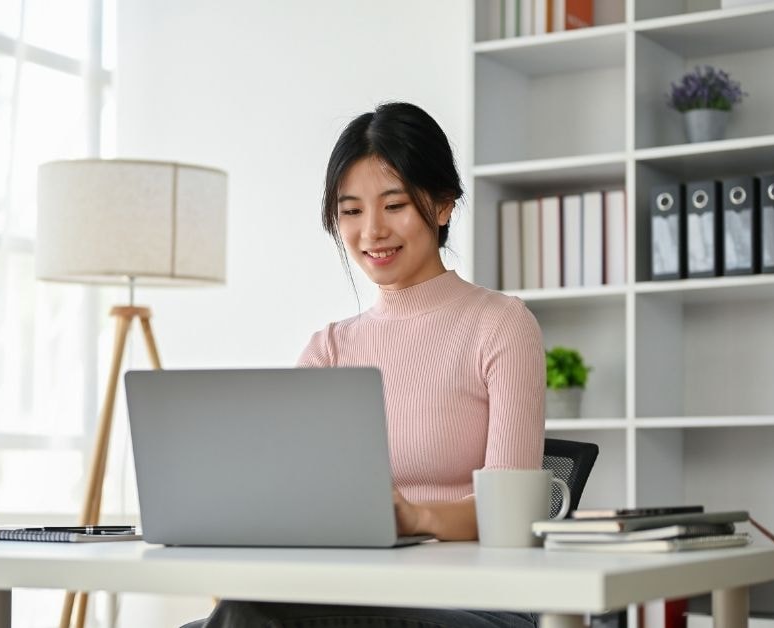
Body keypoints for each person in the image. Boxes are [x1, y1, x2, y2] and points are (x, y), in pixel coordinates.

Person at [182, 102, 545, 628]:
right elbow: (283, 489)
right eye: (351, 211)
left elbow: (512, 516)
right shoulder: (329, 349)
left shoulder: (502, 325)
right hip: (349, 588)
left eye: (393, 204)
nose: (372, 231)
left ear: (443, 205)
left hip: (473, 600)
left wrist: (414, 517)